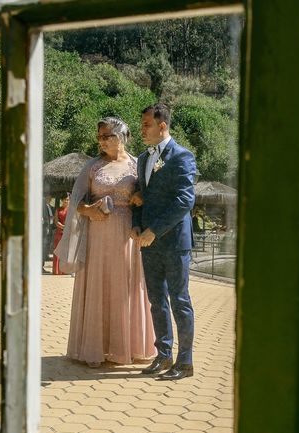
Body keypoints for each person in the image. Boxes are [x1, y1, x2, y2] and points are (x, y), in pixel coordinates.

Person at [55, 117, 155, 368]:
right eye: (99, 136)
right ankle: (93, 348)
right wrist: (89, 210)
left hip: (127, 236)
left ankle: (128, 347)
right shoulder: (92, 167)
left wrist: (140, 197)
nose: (101, 141)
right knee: (98, 285)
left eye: (106, 136)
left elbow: (150, 196)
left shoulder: (137, 165)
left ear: (121, 136)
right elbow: (77, 201)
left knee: (125, 287)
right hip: (97, 236)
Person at [132, 103, 196, 380]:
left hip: (174, 242)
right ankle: (163, 355)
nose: (142, 129)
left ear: (163, 125)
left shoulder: (182, 156)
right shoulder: (143, 159)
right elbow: (140, 196)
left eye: (146, 124)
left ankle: (185, 363)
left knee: (180, 300)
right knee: (156, 301)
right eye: (142, 125)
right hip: (149, 241)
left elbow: (185, 200)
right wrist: (137, 225)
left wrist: (154, 230)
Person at [52, 195, 69, 275]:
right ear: (62, 200)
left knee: (66, 252)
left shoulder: (71, 210)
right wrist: (63, 226)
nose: (66, 201)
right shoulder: (58, 210)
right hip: (59, 232)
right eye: (65, 200)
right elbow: (56, 221)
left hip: (68, 233)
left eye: (68, 200)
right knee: (57, 250)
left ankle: (65, 270)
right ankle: (57, 270)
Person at [41, 195, 54, 273]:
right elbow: (44, 219)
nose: (49, 199)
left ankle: (42, 266)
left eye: (50, 198)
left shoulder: (50, 207)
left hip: (49, 230)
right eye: (47, 198)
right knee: (42, 249)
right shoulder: (42, 207)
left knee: (45, 249)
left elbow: (50, 218)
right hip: (43, 230)